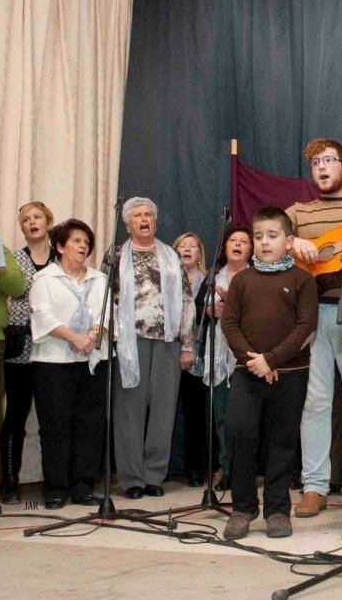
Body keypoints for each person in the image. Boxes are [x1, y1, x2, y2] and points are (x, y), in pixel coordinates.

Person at [220, 207, 319, 540]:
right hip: (248, 372)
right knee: (238, 432)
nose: (263, 242)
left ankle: (277, 509)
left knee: (282, 441)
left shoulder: (302, 280)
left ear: (289, 241)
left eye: (272, 236)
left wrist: (273, 360)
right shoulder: (241, 281)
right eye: (258, 236)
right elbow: (229, 323)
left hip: (291, 372)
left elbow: (306, 326)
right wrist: (255, 361)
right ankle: (243, 508)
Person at [285, 136, 342, 518]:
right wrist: (292, 240)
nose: (321, 167)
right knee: (315, 403)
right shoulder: (299, 210)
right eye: (315, 163)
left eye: (328, 160)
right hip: (312, 318)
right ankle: (314, 486)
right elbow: (266, 237)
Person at [103, 197, 196, 499]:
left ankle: (154, 475)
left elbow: (186, 302)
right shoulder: (115, 255)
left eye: (148, 215)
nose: (143, 219)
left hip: (168, 342)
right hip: (130, 342)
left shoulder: (171, 256)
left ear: (156, 221)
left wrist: (188, 344)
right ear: (127, 223)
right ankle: (131, 478)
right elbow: (107, 300)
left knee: (163, 409)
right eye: (137, 215)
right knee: (129, 410)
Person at [29, 219, 109, 510]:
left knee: (89, 423)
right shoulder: (45, 279)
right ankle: (56, 487)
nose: (83, 246)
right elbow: (43, 316)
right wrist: (74, 337)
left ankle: (83, 484)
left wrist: (90, 336)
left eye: (86, 242)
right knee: (55, 425)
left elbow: (107, 315)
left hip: (92, 361)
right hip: (53, 362)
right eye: (76, 241)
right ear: (60, 246)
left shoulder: (100, 280)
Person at [1, 201, 52, 504]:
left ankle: (54, 481)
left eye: (36, 217)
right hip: (20, 350)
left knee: (51, 419)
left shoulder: (61, 260)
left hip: (53, 351)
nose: (31, 223)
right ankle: (9, 482)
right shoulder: (13, 260)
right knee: (15, 418)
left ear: (48, 222)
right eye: (25, 220)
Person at [194, 225, 252, 491]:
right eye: (233, 240)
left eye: (244, 241)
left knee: (247, 419)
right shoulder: (211, 279)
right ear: (224, 247)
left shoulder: (258, 277)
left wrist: (235, 306)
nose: (238, 244)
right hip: (218, 356)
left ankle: (246, 471)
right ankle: (226, 468)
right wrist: (210, 309)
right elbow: (197, 313)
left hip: (249, 356)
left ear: (251, 248)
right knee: (222, 417)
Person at [173, 231, 210, 487]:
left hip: (199, 355)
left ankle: (196, 468)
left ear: (199, 254)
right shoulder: (166, 281)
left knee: (196, 414)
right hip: (168, 353)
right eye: (181, 246)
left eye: (192, 246)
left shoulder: (210, 281)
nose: (186, 249)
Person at [0, 238, 26, 515]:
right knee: (11, 416)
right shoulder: (12, 253)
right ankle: (7, 483)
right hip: (11, 345)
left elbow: (16, 286)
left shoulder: (1, 249)